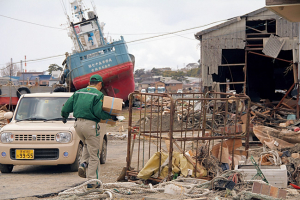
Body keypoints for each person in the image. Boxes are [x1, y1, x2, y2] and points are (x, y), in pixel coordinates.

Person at [61, 74, 118, 189]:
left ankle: (83, 163)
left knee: (88, 144)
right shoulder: (98, 94)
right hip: (90, 126)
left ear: (89, 83)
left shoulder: (78, 92)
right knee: (95, 154)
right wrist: (111, 117)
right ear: (100, 84)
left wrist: (64, 116)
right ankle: (92, 181)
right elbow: (98, 112)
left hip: (77, 125)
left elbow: (66, 107)